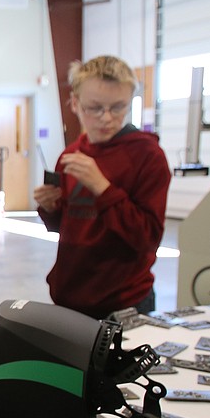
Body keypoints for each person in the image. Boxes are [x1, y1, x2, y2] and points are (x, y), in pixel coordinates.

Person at [33, 55, 170, 318]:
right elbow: (66, 227)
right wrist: (50, 208)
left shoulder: (147, 156)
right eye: (95, 108)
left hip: (122, 302)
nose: (107, 118)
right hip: (70, 297)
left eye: (118, 107)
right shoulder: (71, 156)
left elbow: (147, 238)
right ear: (75, 103)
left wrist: (103, 188)